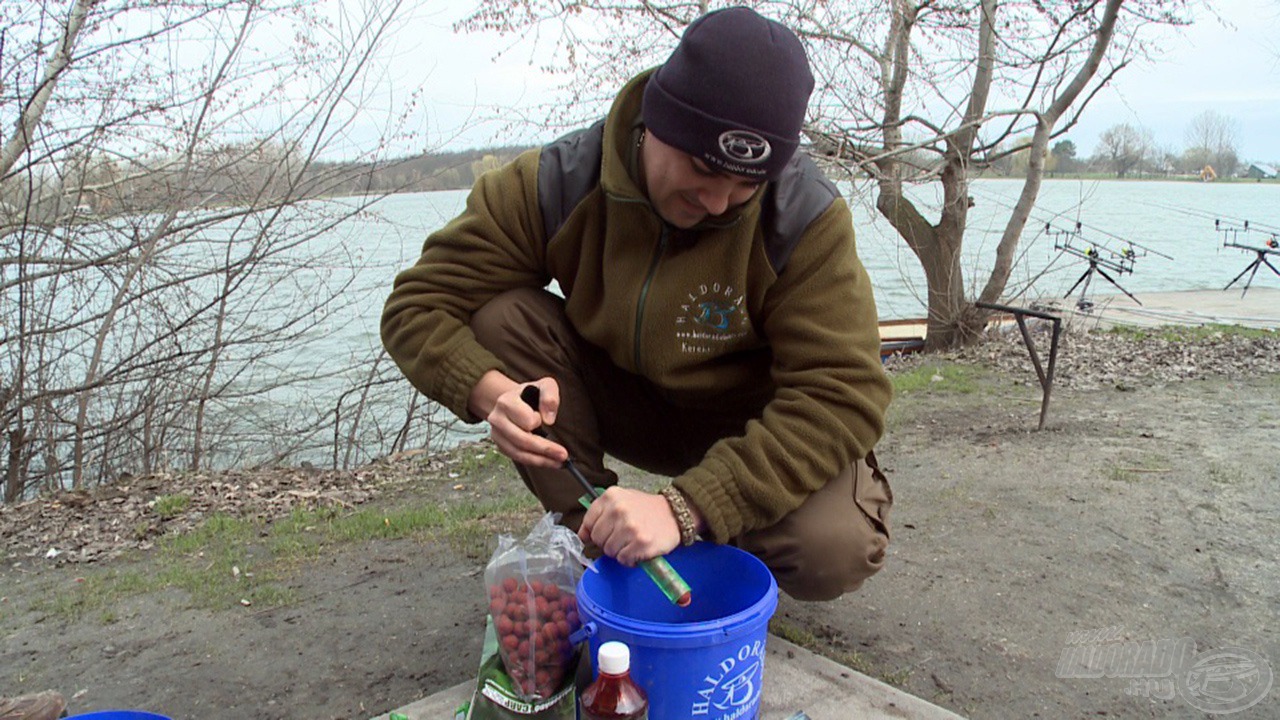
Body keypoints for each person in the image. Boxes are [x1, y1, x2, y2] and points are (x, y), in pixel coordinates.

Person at [383, 6, 893, 601]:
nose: (719, 201)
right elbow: (416, 304)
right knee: (502, 318)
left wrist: (685, 509)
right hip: (625, 401)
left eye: (745, 185)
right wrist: (488, 391)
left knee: (834, 546)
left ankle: (693, 551)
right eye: (703, 169)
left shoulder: (804, 219)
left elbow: (845, 395)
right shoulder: (558, 183)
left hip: (749, 422)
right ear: (656, 121)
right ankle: (597, 546)